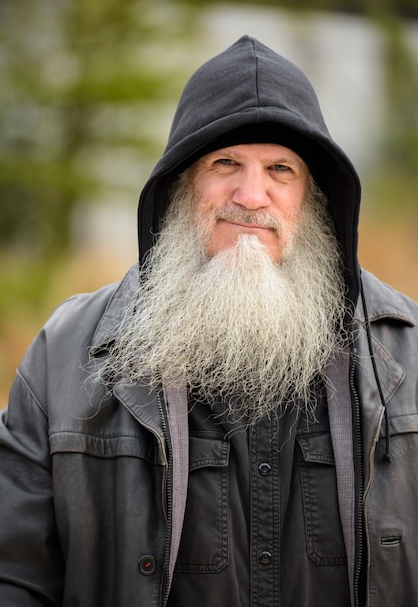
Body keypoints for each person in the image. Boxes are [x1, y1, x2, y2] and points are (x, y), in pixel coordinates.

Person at [0, 34, 417, 607]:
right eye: (225, 163)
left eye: (280, 169)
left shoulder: (409, 356)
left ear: (314, 198)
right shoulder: (62, 354)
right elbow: (15, 575)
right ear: (179, 184)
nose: (251, 195)